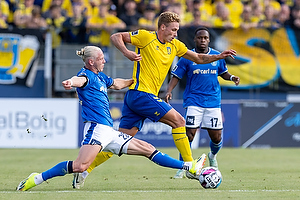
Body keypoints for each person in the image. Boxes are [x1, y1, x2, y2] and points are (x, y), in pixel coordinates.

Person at [72, 11, 237, 189]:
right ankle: (191, 167)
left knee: (117, 142)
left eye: (177, 30)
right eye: (173, 30)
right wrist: (127, 52)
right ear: (162, 27)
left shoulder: (175, 45)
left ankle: (84, 171)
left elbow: (199, 58)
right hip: (141, 94)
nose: (175, 33)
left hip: (136, 98)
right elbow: (116, 36)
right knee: (179, 121)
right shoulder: (145, 37)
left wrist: (219, 56)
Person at [16, 46, 205, 191]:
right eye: (100, 58)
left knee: (148, 149)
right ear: (90, 62)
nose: (104, 60)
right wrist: (70, 82)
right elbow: (78, 80)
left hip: (109, 132)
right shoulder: (86, 76)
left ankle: (189, 166)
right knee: (80, 165)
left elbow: (116, 83)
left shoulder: (100, 77)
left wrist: (135, 82)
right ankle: (37, 178)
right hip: (96, 129)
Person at [164, 26, 240, 179]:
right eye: (200, 38)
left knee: (216, 137)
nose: (202, 40)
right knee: (188, 135)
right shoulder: (188, 56)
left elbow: (223, 73)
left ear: (209, 40)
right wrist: (169, 90)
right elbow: (176, 75)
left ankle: (212, 156)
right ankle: (183, 166)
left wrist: (231, 77)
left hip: (212, 101)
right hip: (194, 100)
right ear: (195, 39)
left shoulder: (217, 56)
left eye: (205, 38)